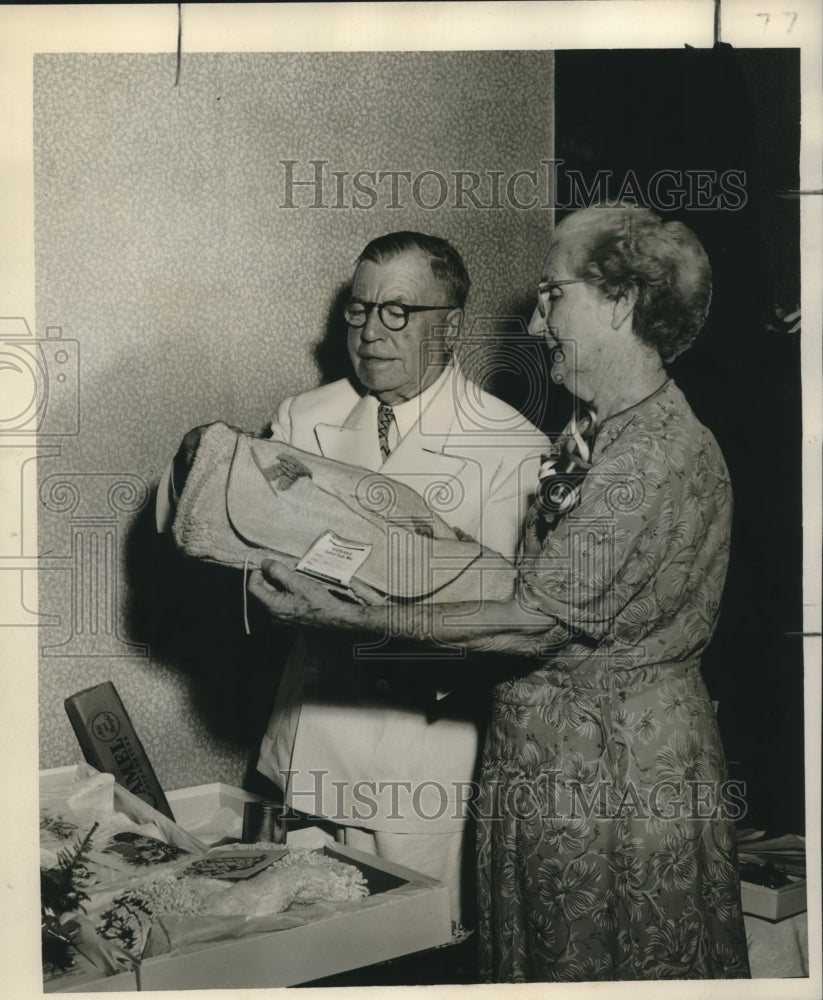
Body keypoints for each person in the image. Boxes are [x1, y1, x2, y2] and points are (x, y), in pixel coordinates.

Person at [248, 206, 752, 981]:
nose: (536, 320)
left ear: (619, 301)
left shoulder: (646, 456)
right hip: (549, 766)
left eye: (552, 295)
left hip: (607, 768)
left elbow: (533, 620)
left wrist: (351, 612)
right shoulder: (594, 435)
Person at [161, 231, 549, 927]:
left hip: (419, 759)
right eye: (359, 310)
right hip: (309, 743)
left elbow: (508, 625)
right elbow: (243, 557)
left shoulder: (510, 448)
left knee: (411, 941)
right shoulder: (302, 418)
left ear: (452, 325)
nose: (370, 332)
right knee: (291, 939)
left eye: (397, 312)